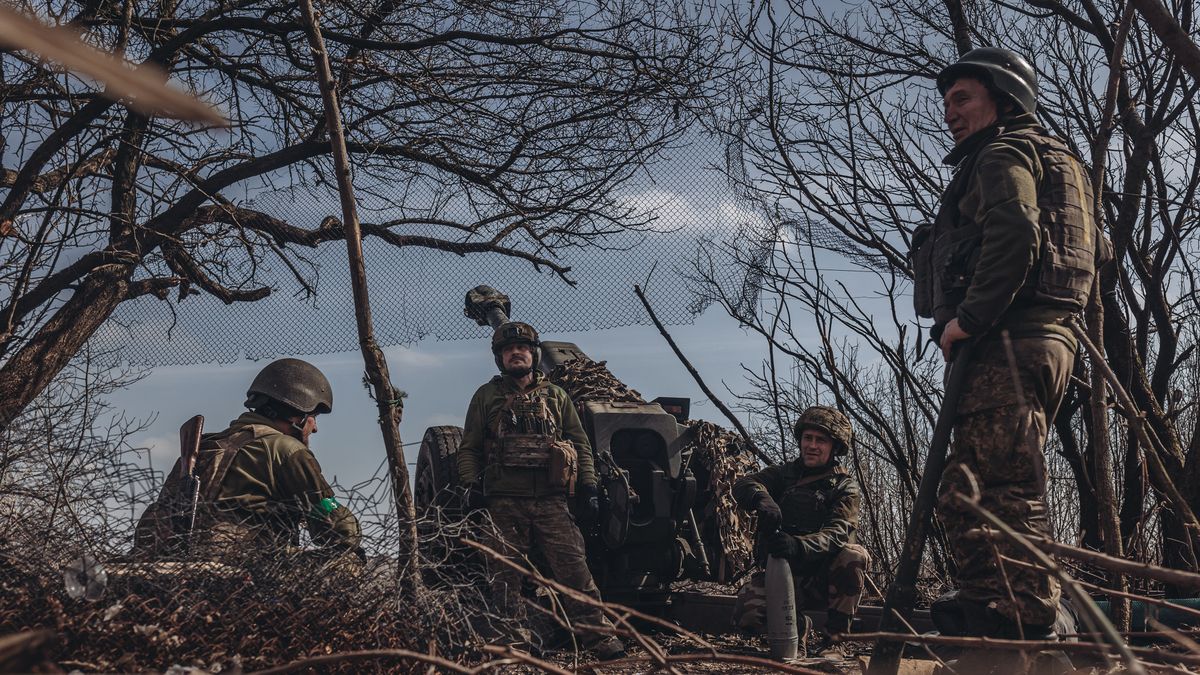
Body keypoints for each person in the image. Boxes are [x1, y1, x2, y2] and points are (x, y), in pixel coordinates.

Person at [911, 47, 1103, 650]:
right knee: (971, 486)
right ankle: (987, 607)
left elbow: (1016, 229)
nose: (951, 112)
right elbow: (1097, 258)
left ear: (1004, 98)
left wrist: (969, 317)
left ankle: (1024, 617)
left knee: (998, 487)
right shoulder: (1062, 163)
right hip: (1041, 340)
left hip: (1010, 340)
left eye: (962, 98)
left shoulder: (1003, 152)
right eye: (946, 102)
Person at [456, 321, 625, 660]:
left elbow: (580, 445)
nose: (514, 353)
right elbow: (469, 449)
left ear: (532, 354)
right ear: (500, 359)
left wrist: (589, 485)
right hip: (503, 503)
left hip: (551, 501)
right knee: (504, 579)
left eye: (521, 348)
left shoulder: (557, 397)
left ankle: (598, 638)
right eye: (507, 350)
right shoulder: (486, 396)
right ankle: (513, 644)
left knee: (575, 572)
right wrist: (471, 487)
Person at [133, 358, 363, 567]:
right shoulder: (286, 450)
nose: (315, 427)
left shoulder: (204, 446)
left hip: (174, 563)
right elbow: (339, 532)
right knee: (349, 561)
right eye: (314, 417)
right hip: (247, 568)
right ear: (297, 415)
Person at [731, 406, 868, 657]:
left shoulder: (844, 487)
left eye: (821, 440)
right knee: (747, 613)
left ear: (835, 447)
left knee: (853, 555)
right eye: (808, 438)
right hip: (783, 574)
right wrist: (761, 498)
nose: (812, 446)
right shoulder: (784, 474)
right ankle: (799, 627)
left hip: (823, 578)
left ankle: (835, 640)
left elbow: (837, 533)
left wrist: (798, 545)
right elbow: (743, 484)